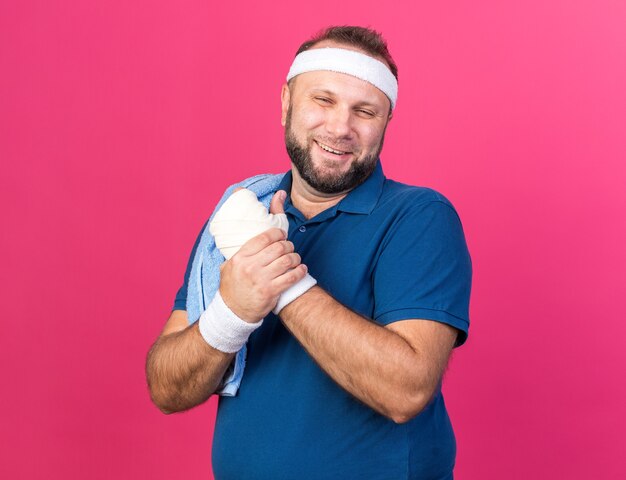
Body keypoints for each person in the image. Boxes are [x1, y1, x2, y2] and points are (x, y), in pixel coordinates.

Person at [146, 26, 472, 480]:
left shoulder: (418, 217)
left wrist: (283, 285)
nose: (340, 127)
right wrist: (232, 312)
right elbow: (166, 388)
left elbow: (406, 391)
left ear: (386, 123)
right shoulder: (242, 216)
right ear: (286, 104)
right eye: (324, 100)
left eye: (365, 111)